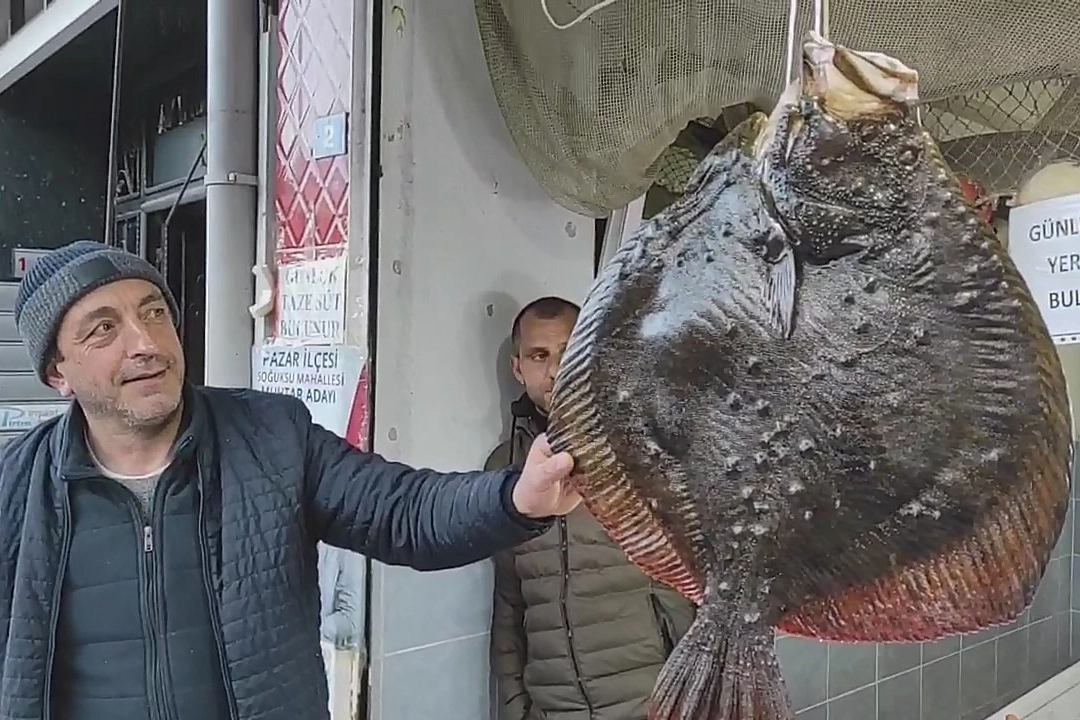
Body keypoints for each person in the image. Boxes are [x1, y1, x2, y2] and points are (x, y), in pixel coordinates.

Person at [0, 240, 579, 720]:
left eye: (154, 313)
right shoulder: (16, 489)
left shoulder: (272, 436)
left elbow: (403, 510)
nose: (146, 343)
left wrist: (517, 497)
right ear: (57, 371)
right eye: (103, 329)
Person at [487, 296, 696, 720]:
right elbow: (509, 605)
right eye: (539, 356)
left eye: (568, 352)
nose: (555, 371)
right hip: (553, 710)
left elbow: (704, 584)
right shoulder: (504, 469)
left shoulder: (645, 449)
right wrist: (515, 709)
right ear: (518, 368)